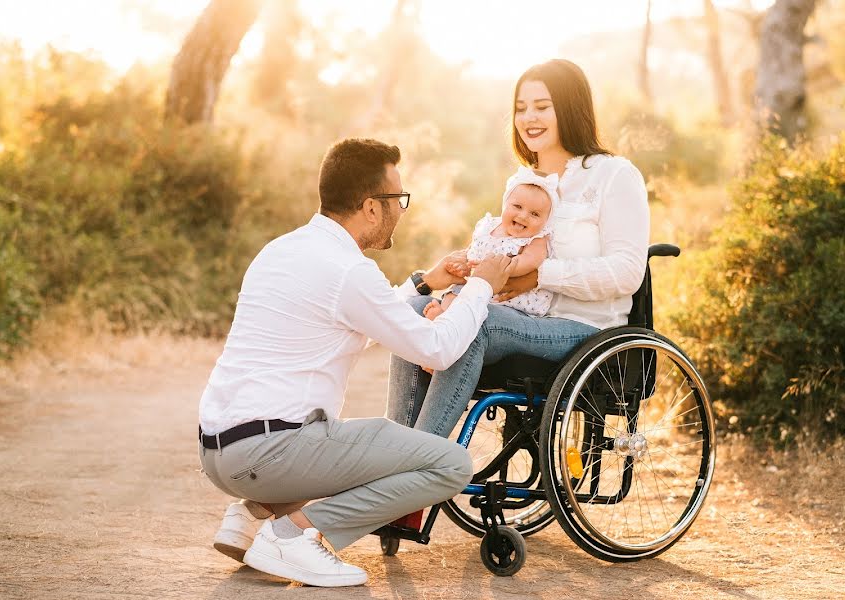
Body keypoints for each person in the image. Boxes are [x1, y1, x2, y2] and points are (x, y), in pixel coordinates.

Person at [198, 138, 513, 587]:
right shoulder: (349, 269)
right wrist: (482, 287)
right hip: (270, 452)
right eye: (398, 199)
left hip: (219, 452)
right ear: (370, 206)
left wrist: (425, 283)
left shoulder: (283, 249)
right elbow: (439, 349)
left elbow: (356, 319)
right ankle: (293, 534)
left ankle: (253, 516)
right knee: (450, 466)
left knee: (365, 441)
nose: (402, 210)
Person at [387, 58, 650, 440]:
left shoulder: (614, 175)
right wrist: (472, 266)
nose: (529, 118)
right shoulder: (524, 180)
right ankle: (393, 453)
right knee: (413, 312)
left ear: (570, 107)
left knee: (476, 321)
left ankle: (417, 474)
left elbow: (628, 272)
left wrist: (539, 276)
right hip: (515, 316)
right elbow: (508, 242)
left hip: (582, 328)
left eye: (542, 106)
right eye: (521, 108)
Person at [423, 167, 560, 322]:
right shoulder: (488, 226)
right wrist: (464, 267)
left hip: (509, 301)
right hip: (480, 287)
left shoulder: (537, 237)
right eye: (517, 206)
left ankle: (450, 321)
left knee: (477, 305)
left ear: (546, 220)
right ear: (505, 204)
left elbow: (531, 260)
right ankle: (445, 317)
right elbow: (473, 252)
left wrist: (500, 268)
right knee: (455, 292)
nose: (523, 216)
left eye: (535, 214)